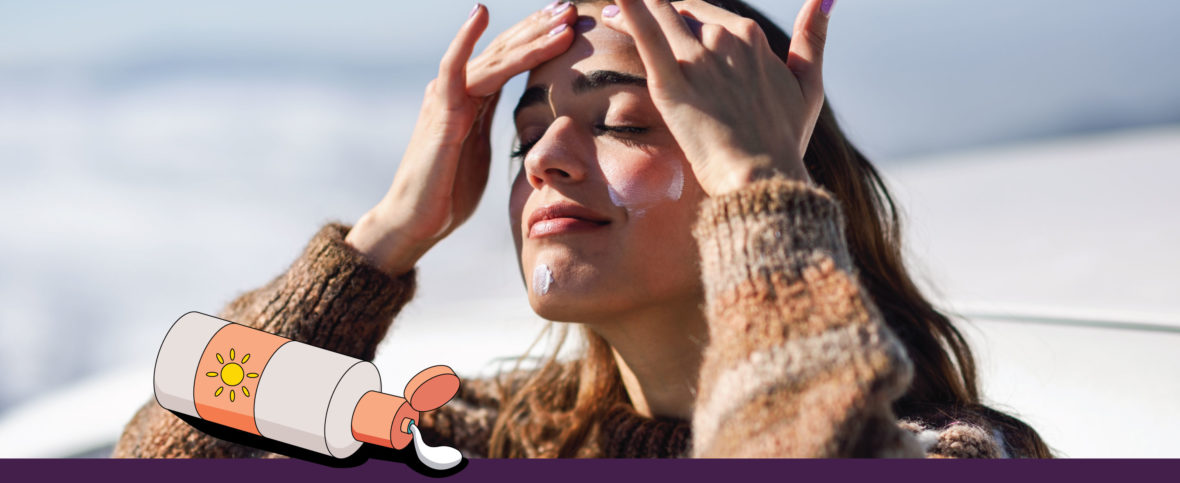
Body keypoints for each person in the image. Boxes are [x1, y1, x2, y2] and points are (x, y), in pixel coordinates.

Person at [114, 0, 1051, 458]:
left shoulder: (961, 453)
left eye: (625, 123)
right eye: (526, 137)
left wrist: (759, 185)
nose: (548, 159)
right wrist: (385, 236)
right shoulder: (483, 433)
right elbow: (169, 448)